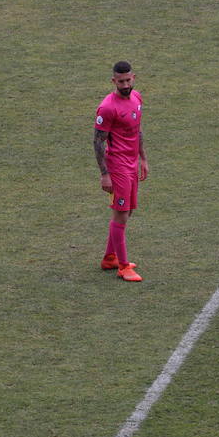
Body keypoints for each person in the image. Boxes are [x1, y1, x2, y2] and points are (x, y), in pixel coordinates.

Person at [93, 60, 149, 282]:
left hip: (131, 163)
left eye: (128, 80)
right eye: (121, 81)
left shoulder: (136, 98)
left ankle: (110, 257)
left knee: (128, 211)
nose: (125, 85)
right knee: (121, 213)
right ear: (113, 81)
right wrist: (104, 173)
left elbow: (138, 129)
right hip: (116, 166)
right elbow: (98, 142)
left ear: (133, 77)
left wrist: (143, 157)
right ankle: (123, 267)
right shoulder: (107, 108)